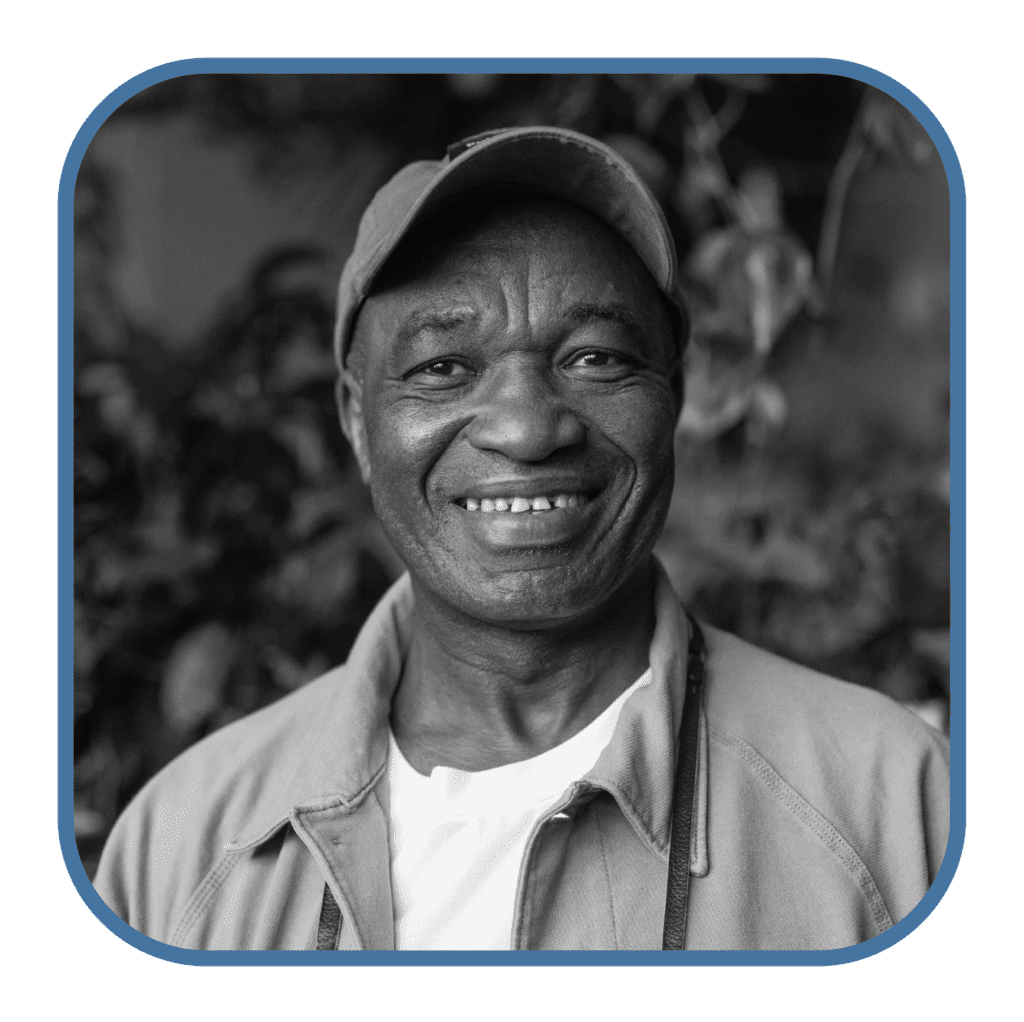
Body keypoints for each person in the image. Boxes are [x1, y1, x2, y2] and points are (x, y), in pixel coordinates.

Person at [93, 127, 949, 952]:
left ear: (676, 397)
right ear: (358, 421)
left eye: (597, 359)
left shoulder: (897, 810)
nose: (527, 427)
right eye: (441, 368)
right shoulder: (182, 848)